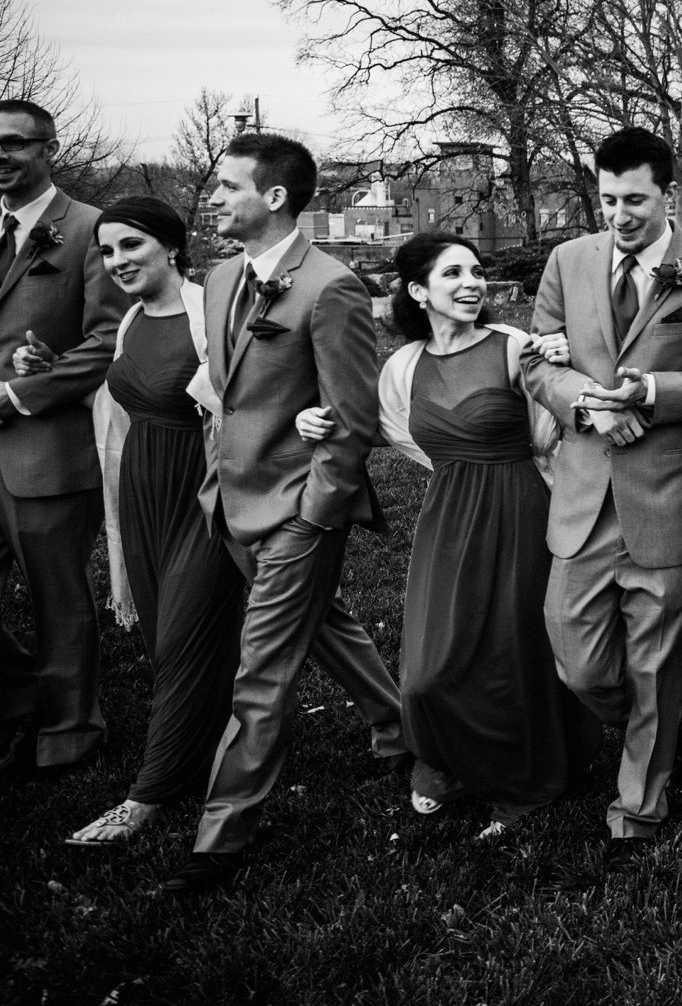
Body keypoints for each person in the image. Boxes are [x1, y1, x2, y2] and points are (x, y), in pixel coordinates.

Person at [294, 232, 600, 840]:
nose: (472, 283)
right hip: (449, 516)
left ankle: (524, 781)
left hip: (520, 509)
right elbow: (381, 430)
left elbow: (555, 428)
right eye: (452, 274)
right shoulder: (402, 367)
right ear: (418, 291)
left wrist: (561, 362)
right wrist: (312, 422)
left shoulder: (516, 347)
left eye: (477, 271)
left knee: (514, 653)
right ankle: (447, 758)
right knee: (431, 666)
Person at [164, 133, 407, 896]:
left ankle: (220, 837)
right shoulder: (220, 276)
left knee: (260, 672)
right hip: (229, 497)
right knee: (324, 623)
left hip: (298, 511)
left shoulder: (330, 288)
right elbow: (227, 387)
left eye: (228, 186)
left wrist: (318, 511)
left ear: (273, 197)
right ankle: (402, 726)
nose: (213, 197)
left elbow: (353, 415)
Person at [520, 127, 682, 863]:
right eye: (608, 198)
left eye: (634, 199)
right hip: (584, 498)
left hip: (667, 500)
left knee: (657, 665)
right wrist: (592, 405)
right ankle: (650, 733)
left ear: (669, 195)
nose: (620, 214)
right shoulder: (567, 260)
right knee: (579, 660)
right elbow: (538, 362)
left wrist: (654, 391)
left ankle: (640, 806)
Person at [46, 198, 241, 844]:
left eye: (131, 245)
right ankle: (203, 753)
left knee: (185, 638)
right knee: (167, 643)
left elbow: (241, 408)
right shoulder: (130, 318)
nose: (117, 260)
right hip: (142, 495)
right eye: (106, 250)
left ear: (171, 246)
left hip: (201, 499)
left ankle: (147, 796)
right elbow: (118, 406)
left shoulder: (204, 315)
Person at [0, 98, 123, 782]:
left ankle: (70, 730)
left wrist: (20, 392)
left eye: (14, 143)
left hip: (47, 448)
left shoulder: (88, 230)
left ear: (50, 148)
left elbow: (108, 341)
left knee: (57, 599)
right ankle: (25, 694)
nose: (2, 157)